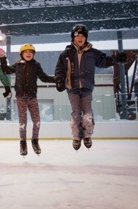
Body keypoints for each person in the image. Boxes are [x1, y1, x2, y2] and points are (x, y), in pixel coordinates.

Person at [54, 23, 127, 151]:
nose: (80, 38)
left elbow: (104, 61)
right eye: (77, 35)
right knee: (76, 113)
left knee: (87, 114)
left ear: (86, 37)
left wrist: (116, 59)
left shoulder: (92, 53)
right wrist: (59, 80)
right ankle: (76, 136)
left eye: (82, 35)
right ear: (73, 37)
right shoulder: (66, 53)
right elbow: (60, 69)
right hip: (72, 87)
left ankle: (87, 135)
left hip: (87, 87)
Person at [0, 43, 56, 156]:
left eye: (30, 52)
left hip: (32, 97)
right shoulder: (18, 65)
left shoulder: (36, 65)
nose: (28, 54)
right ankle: (23, 143)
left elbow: (43, 78)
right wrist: (2, 58)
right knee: (22, 122)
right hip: (21, 97)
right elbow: (6, 70)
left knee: (37, 121)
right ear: (21, 54)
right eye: (26, 52)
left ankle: (35, 141)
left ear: (33, 54)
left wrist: (57, 79)